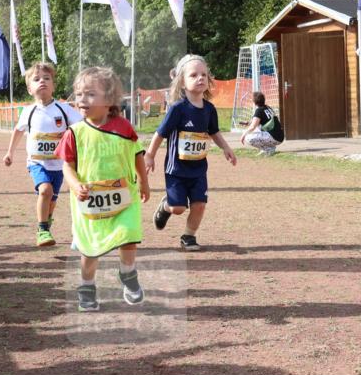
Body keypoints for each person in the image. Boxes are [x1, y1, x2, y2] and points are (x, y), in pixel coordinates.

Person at [55, 66, 149, 312]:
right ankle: (87, 288)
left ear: (109, 100)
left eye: (89, 94)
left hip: (124, 199)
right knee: (90, 248)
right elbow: (67, 166)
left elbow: (137, 153)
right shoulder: (74, 133)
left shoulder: (124, 127)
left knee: (128, 236)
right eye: (78, 94)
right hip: (89, 202)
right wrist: (75, 185)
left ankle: (128, 274)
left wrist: (144, 181)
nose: (81, 100)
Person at [145, 54, 236, 251]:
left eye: (203, 74)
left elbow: (214, 132)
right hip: (176, 168)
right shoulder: (178, 108)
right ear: (182, 82)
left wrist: (226, 148)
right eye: (193, 75)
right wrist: (150, 155)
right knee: (178, 208)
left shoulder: (210, 109)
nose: (200, 78)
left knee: (199, 204)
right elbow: (160, 133)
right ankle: (166, 206)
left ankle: (189, 236)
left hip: (198, 168)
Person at [3, 61, 82, 247]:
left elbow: (81, 128)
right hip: (37, 163)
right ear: (30, 89)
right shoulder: (28, 112)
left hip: (60, 165)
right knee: (45, 190)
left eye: (47, 78)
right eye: (37, 79)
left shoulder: (64, 109)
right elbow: (18, 131)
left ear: (54, 85)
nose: (42, 82)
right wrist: (10, 153)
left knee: (52, 198)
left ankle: (47, 218)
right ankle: (42, 230)